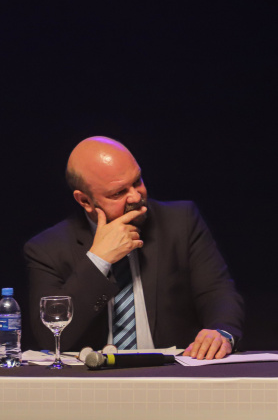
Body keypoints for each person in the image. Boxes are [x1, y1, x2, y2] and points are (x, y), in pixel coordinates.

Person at [24, 136, 243, 360]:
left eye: (137, 181)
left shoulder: (181, 222)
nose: (137, 196)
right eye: (118, 193)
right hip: (92, 383)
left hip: (170, 376)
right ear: (85, 201)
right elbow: (50, 337)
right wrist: (98, 260)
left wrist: (221, 333)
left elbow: (217, 292)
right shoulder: (47, 248)